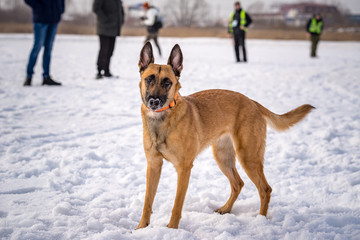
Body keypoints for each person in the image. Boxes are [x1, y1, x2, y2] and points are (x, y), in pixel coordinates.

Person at [23, 0, 65, 86]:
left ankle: (46, 76)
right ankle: (29, 76)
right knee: (37, 46)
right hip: (41, 19)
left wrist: (60, 10)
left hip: (54, 19)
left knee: (48, 48)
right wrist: (39, 8)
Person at [93, 0, 125, 79]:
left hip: (114, 28)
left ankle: (106, 70)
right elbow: (96, 8)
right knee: (104, 50)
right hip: (104, 28)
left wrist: (121, 20)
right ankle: (99, 71)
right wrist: (105, 19)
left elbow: (120, 10)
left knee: (110, 50)